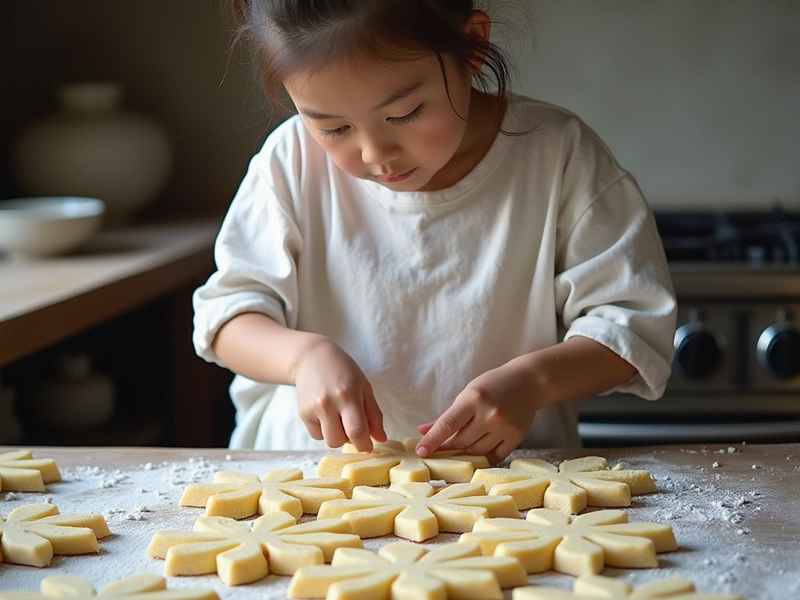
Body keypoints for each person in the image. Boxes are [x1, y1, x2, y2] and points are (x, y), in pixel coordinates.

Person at [193, 0, 676, 464]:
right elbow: (227, 318)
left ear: (473, 46)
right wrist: (302, 358)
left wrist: (533, 381)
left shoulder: (558, 156)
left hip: (511, 487)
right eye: (334, 128)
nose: (375, 153)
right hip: (307, 479)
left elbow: (632, 327)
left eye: (403, 114)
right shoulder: (290, 163)